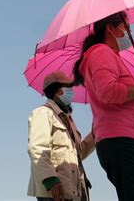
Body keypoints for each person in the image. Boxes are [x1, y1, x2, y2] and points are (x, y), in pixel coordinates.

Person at [72, 11, 134, 201]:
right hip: (121, 141)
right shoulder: (101, 53)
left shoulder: (108, 55)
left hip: (127, 142)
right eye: (126, 27)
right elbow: (108, 91)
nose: (129, 32)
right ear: (111, 29)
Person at [27, 71, 95, 201]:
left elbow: (78, 154)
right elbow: (38, 148)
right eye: (68, 87)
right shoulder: (43, 113)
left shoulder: (67, 119)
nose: (72, 91)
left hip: (74, 192)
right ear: (59, 92)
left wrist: (95, 133)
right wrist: (50, 179)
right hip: (54, 192)